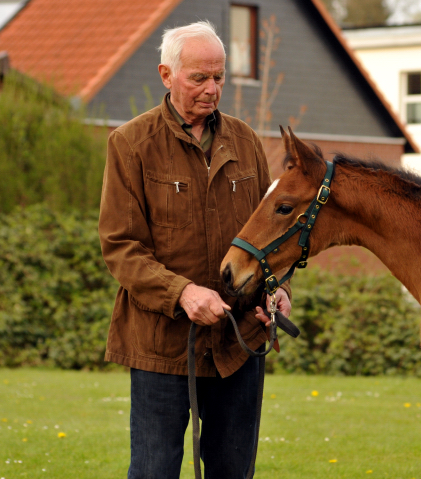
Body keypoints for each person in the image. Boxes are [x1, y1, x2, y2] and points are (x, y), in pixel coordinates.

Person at [98, 21, 292, 479]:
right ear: (167, 75)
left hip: (237, 343)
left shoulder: (246, 142)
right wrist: (183, 293)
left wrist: (277, 288)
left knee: (232, 470)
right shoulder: (130, 144)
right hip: (162, 346)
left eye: (219, 77)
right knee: (153, 470)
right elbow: (120, 247)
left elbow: (269, 238)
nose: (211, 89)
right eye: (198, 78)